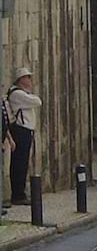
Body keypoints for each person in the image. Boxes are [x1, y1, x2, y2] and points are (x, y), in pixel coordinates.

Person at [6, 68, 42, 205]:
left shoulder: (22, 94)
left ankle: (20, 193)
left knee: (23, 163)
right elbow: (37, 101)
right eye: (28, 77)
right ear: (21, 79)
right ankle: (18, 195)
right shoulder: (17, 94)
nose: (30, 80)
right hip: (21, 130)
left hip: (25, 131)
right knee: (19, 163)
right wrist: (30, 96)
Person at [1, 98, 15, 215]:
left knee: (5, 171)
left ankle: (5, 199)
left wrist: (9, 139)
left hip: (5, 139)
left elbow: (5, 124)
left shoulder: (2, 102)